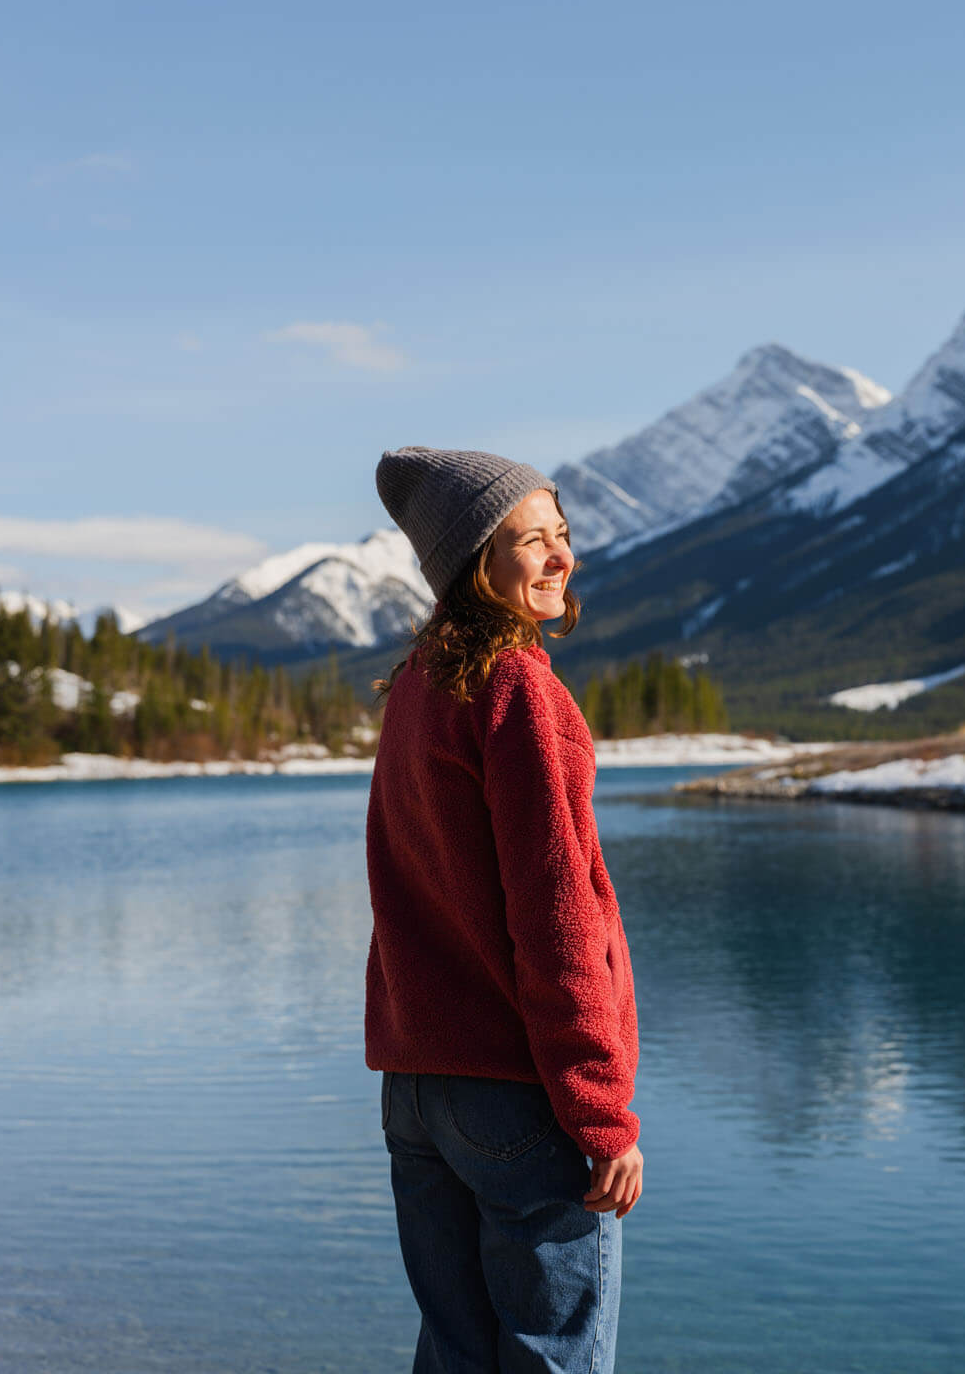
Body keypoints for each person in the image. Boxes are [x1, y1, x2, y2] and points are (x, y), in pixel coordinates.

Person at [366, 446, 642, 1374]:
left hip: (419, 1089)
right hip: (515, 1094)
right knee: (549, 1358)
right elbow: (556, 919)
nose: (562, 556)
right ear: (475, 561)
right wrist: (601, 1115)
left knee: (455, 1356)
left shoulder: (417, 687)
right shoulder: (518, 692)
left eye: (562, 534)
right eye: (533, 540)